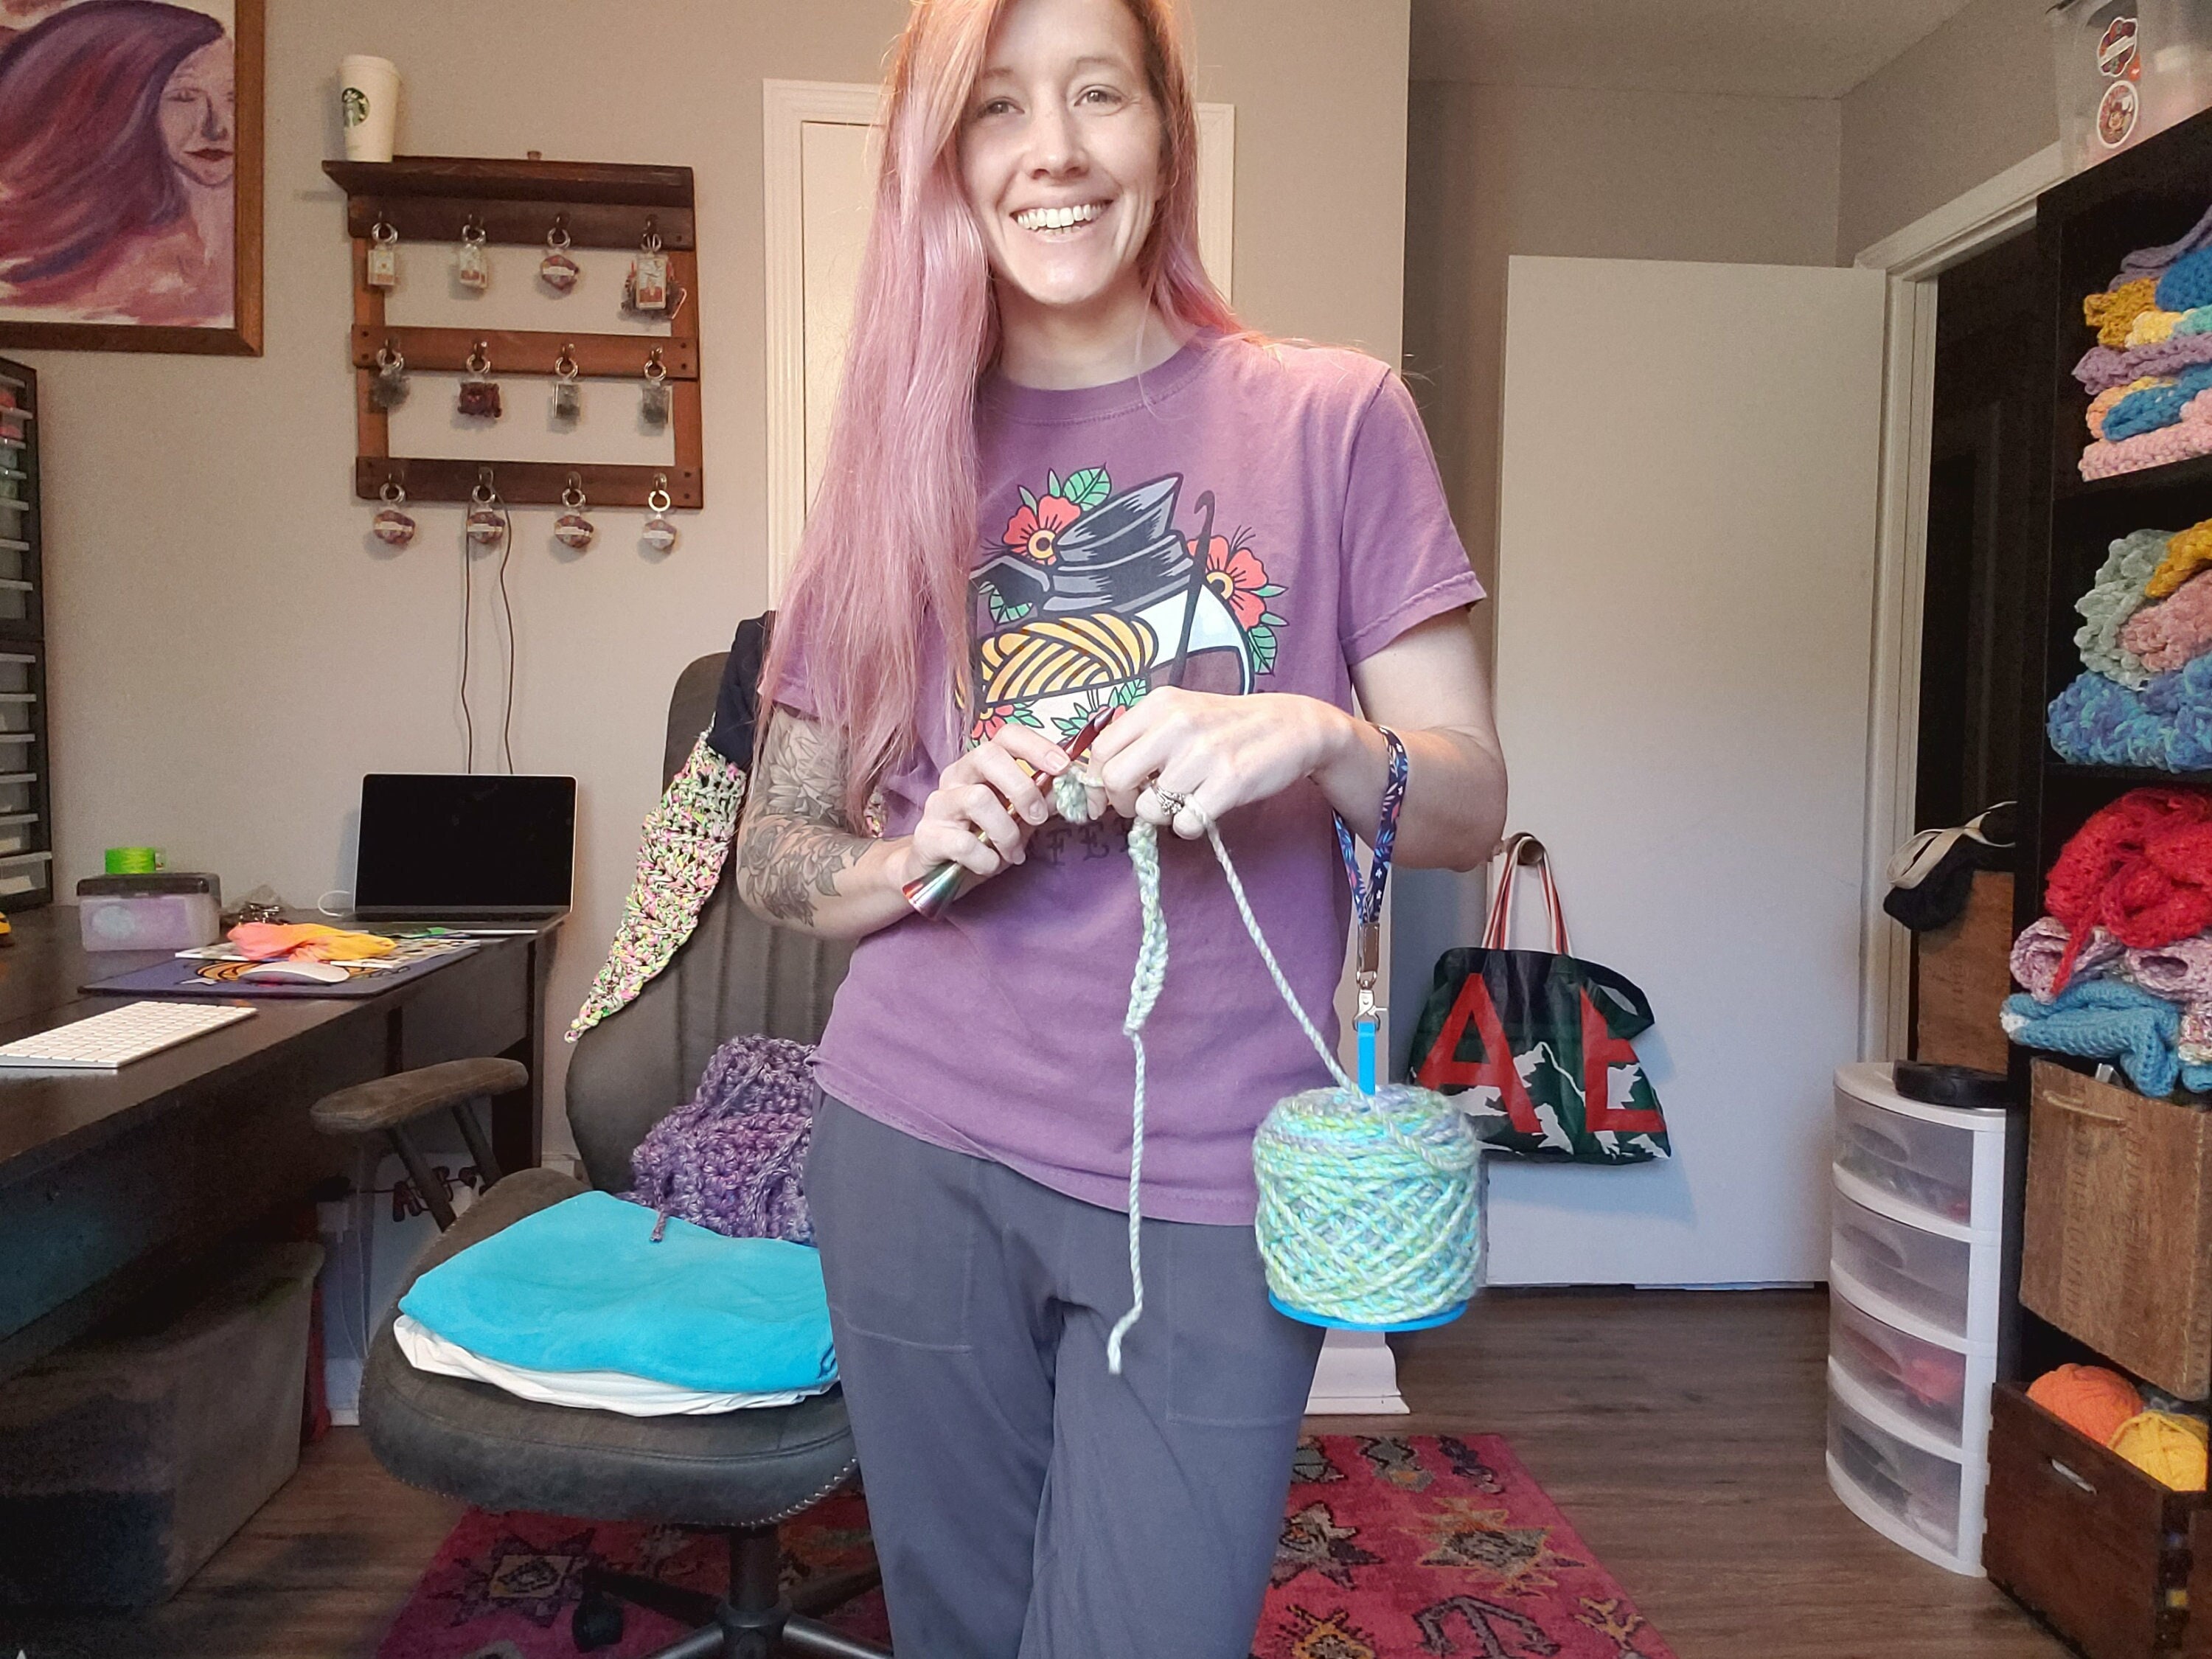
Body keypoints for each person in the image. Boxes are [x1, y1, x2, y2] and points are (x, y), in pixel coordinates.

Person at [737, 0, 1507, 1651]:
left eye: (1098, 94)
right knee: (958, 1629)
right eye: (998, 108)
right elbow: (775, 854)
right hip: (914, 1144)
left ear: (1168, 128)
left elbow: (1468, 806)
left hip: (1216, 1177)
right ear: (945, 159)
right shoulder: (893, 459)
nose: (1055, 152)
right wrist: (917, 849)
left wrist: (1317, 736)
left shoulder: (1335, 417)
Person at [0, 1, 237, 325]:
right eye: (184, 97)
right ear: (117, 111)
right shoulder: (131, 275)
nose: (216, 128)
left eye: (233, 97)